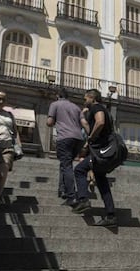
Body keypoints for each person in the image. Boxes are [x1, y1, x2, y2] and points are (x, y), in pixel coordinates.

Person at [73, 89, 118, 227]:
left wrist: (91, 138)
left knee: (79, 169)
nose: (84, 101)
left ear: (92, 98)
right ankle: (111, 215)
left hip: (101, 151)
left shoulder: (97, 107)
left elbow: (100, 122)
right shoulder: (101, 109)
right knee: (101, 181)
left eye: (85, 98)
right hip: (104, 151)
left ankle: (83, 200)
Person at [47, 88, 85, 206]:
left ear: (58, 96)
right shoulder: (76, 107)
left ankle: (71, 196)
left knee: (66, 165)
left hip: (64, 138)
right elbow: (84, 123)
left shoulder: (55, 104)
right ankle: (62, 189)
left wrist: (54, 120)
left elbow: (49, 122)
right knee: (65, 164)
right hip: (78, 139)